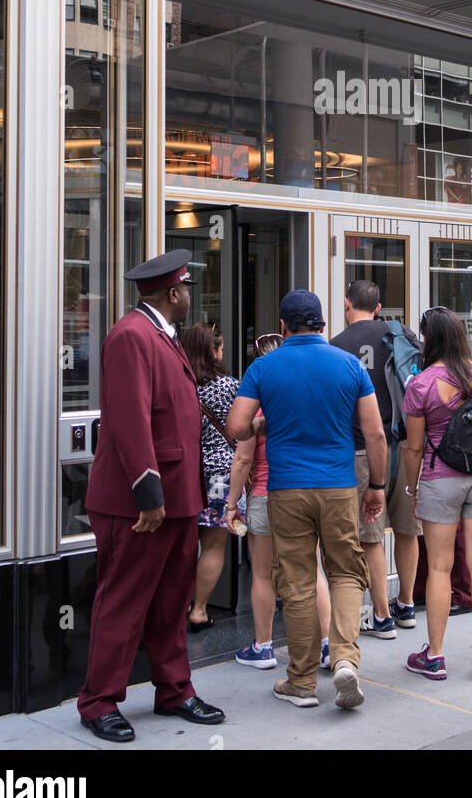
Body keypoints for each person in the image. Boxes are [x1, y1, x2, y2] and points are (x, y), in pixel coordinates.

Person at [77, 250, 224, 742]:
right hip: (140, 501)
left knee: (169, 602)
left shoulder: (162, 334)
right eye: (187, 289)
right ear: (174, 293)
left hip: (178, 497)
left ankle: (174, 690)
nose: (190, 296)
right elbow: (128, 418)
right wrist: (147, 491)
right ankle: (98, 701)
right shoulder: (131, 335)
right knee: (123, 600)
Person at [225, 290, 387, 711]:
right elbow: (375, 434)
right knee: (347, 573)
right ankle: (346, 660)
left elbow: (236, 427)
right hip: (338, 486)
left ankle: (300, 683)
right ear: (321, 324)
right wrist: (377, 486)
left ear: (283, 326)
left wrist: (262, 423)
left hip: (286, 489)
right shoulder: (349, 364)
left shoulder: (264, 366)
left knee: (296, 582)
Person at [401, 307, 472, 683]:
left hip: (439, 479)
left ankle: (436, 656)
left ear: (430, 340)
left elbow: (413, 449)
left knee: (440, 568)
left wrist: (413, 489)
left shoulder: (421, 384)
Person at [226, 331, 333, 669]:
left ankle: (264, 646)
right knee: (312, 570)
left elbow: (243, 459)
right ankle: (328, 644)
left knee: (262, 574)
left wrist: (231, 504)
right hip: (304, 490)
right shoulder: (307, 392)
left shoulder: (258, 397)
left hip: (264, 496)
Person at [330, 279, 422, 637]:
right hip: (407, 446)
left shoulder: (337, 346)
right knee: (407, 529)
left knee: (370, 535)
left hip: (362, 449)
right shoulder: (402, 337)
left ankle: (382, 615)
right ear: (379, 307)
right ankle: (407, 605)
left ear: (346, 304)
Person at [181, 322, 241, 632]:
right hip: (221, 472)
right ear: (212, 350)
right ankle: (199, 610)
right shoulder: (230, 386)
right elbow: (241, 428)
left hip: (186, 472)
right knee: (214, 545)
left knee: (182, 544)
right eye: (219, 347)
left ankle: (175, 608)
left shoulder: (180, 384)